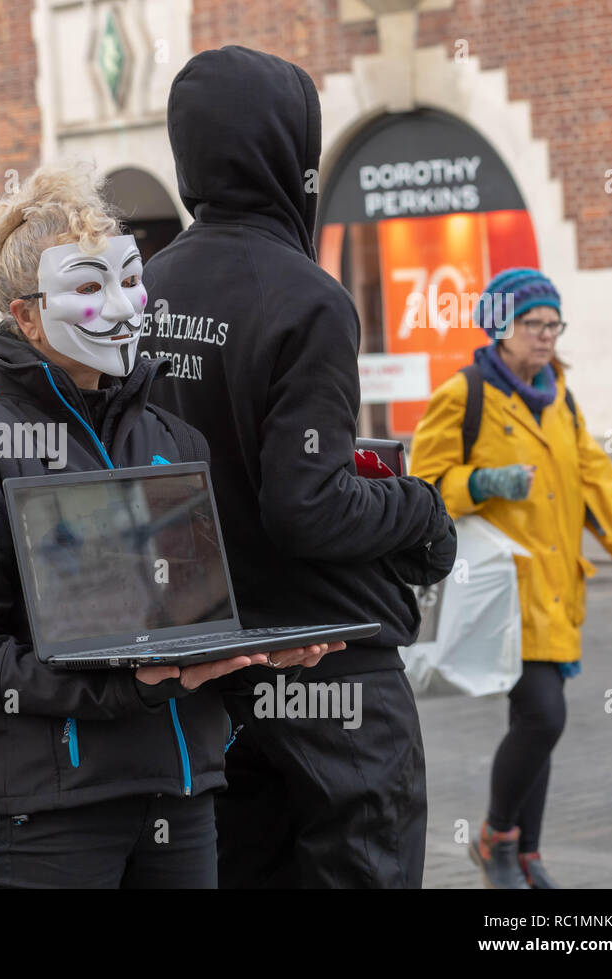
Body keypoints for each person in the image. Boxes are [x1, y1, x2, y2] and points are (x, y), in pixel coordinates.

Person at [0, 161, 342, 888]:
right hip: (60, 807)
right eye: (85, 286)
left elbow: (193, 610)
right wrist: (126, 686)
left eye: (129, 278)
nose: (120, 306)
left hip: (185, 792)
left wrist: (261, 652)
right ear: (26, 315)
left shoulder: (174, 436)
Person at [136, 45, 457, 888]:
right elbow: (307, 505)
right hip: (331, 665)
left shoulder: (147, 293)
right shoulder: (306, 297)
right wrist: (419, 509)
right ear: (290, 149)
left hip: (210, 664)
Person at [411, 267, 612, 889]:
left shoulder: (561, 399)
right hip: (500, 595)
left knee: (537, 722)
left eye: (554, 323)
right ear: (501, 326)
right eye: (533, 323)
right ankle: (498, 836)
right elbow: (424, 485)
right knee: (543, 716)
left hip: (557, 589)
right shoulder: (465, 394)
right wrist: (482, 483)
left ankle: (525, 853)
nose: (546, 335)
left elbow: (602, 493)